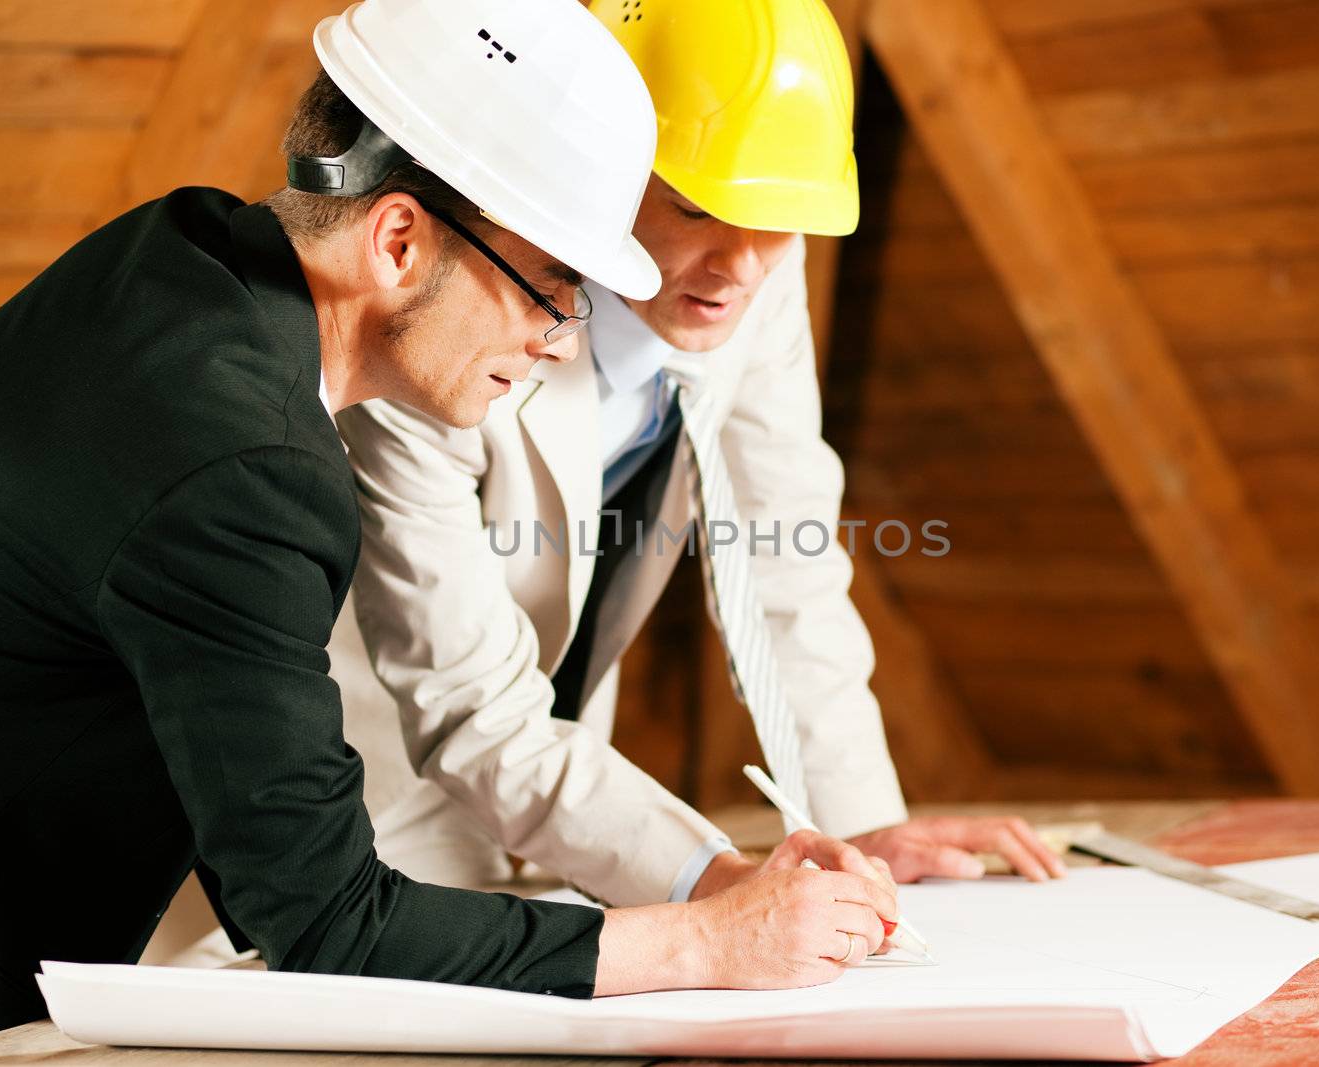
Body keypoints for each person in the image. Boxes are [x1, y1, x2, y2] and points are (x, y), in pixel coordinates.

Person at [0, 0, 899, 1051]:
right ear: (395, 239)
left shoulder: (176, 252)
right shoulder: (249, 472)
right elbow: (327, 925)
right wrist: (706, 942)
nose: (564, 344)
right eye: (550, 285)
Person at [334, 0, 1066, 914]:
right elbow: (468, 705)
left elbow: (785, 554)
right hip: (357, 825)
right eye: (695, 208)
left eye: (779, 222)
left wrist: (864, 830)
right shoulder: (445, 308)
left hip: (555, 840)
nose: (743, 269)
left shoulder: (753, 264)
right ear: (598, 164)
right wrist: (711, 878)